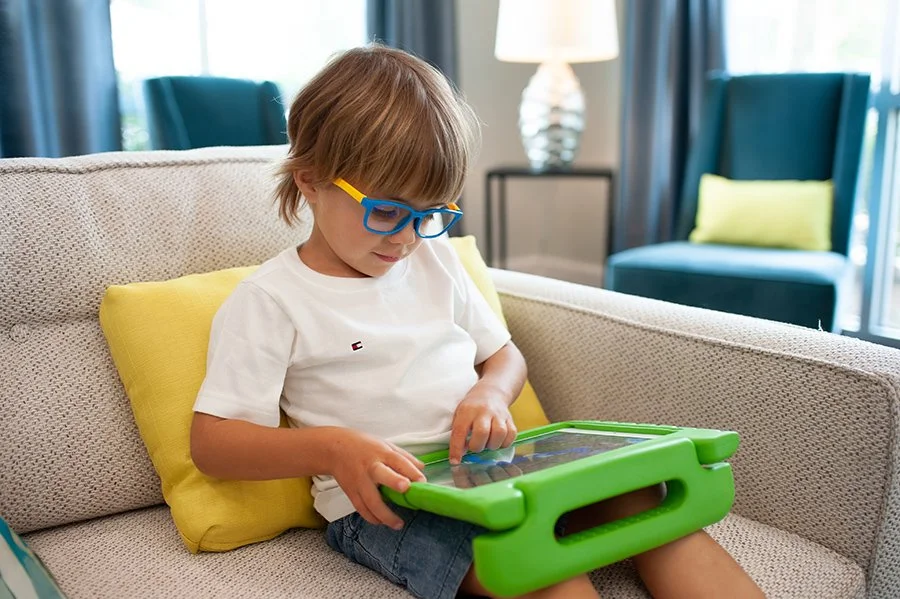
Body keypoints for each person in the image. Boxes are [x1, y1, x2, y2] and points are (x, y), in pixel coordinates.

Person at [189, 44, 765, 599]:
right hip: (392, 503)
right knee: (536, 568)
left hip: (495, 470)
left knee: (648, 503)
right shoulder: (272, 300)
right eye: (387, 211)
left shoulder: (434, 259)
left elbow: (503, 355)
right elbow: (214, 445)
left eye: (430, 214)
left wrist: (492, 393)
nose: (407, 236)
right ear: (309, 180)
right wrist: (334, 449)